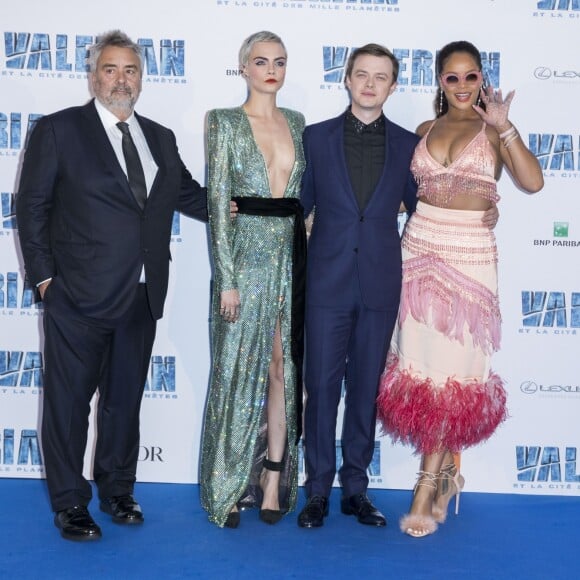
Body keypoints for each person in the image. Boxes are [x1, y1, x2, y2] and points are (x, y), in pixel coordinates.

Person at [15, 30, 208, 541]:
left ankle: (118, 491)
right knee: (68, 403)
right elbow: (31, 208)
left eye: (131, 71)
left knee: (125, 401)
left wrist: (252, 207)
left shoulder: (160, 136)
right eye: (111, 69)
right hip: (76, 295)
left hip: (142, 295)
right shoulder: (60, 131)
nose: (121, 80)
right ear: (93, 74)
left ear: (142, 78)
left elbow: (190, 195)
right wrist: (45, 280)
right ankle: (70, 502)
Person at [377, 40, 543, 538]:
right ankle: (450, 470)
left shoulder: (493, 132)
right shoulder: (424, 131)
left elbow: (532, 183)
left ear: (483, 80)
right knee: (422, 367)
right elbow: (407, 196)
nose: (464, 86)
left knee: (454, 370)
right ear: (440, 82)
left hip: (469, 258)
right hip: (418, 249)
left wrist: (505, 126)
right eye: (453, 78)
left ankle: (427, 486)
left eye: (472, 76)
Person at [295, 43, 419, 529]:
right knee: (321, 389)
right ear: (346, 79)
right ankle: (318, 491)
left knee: (365, 388)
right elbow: (297, 207)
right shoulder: (315, 138)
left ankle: (356, 490)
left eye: (381, 77)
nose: (370, 84)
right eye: (361, 74)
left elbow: (423, 209)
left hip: (380, 283)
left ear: (392, 85)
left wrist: (475, 213)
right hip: (326, 282)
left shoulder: (409, 145)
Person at [199, 31, 306, 529]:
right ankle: (225, 483)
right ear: (243, 67)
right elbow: (220, 205)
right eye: (261, 61)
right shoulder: (222, 122)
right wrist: (227, 278)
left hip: (290, 262)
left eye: (279, 62)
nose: (271, 69)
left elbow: (305, 198)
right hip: (243, 262)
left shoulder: (300, 124)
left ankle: (272, 481)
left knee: (284, 375)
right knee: (235, 374)